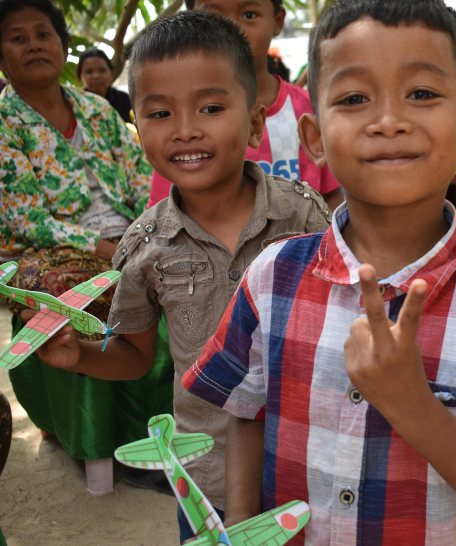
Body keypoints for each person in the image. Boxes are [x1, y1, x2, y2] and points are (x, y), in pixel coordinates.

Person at [183, 1, 456, 543]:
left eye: (421, 93)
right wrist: (242, 527)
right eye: (354, 99)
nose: (389, 121)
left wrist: (412, 405)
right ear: (315, 138)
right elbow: (246, 414)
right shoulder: (272, 277)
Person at [32, 10, 330, 542]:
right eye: (160, 113)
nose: (186, 129)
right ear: (138, 125)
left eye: (211, 107)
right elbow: (135, 358)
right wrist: (78, 354)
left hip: (311, 471)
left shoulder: (304, 218)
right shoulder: (144, 248)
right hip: (205, 481)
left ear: (256, 122)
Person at [0, 0, 167, 493]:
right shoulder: (4, 121)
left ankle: (176, 433)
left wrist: (151, 227)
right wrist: (101, 247)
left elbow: (143, 178)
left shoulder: (97, 108)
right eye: (17, 37)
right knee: (82, 295)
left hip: (127, 233)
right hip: (38, 251)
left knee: (194, 267)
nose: (33, 44)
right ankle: (108, 450)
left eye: (43, 34)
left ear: (62, 46)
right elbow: (21, 216)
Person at [147, 0, 343, 212]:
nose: (232, 28)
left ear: (277, 21)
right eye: (215, 17)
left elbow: (332, 194)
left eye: (249, 15)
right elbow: (163, 210)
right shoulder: (181, 127)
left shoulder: (309, 109)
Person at [76, 47, 132, 123]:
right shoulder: (75, 104)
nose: (96, 76)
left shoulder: (124, 100)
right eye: (89, 72)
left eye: (102, 70)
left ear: (111, 73)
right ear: (80, 77)